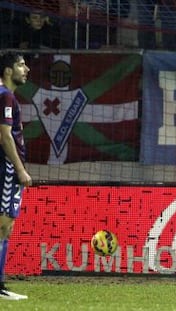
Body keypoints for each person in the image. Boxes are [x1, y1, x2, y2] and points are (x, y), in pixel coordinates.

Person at [0, 52, 32, 300]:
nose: (27, 69)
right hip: (7, 168)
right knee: (3, 225)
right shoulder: (6, 96)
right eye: (21, 64)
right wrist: (20, 168)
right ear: (8, 71)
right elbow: (5, 136)